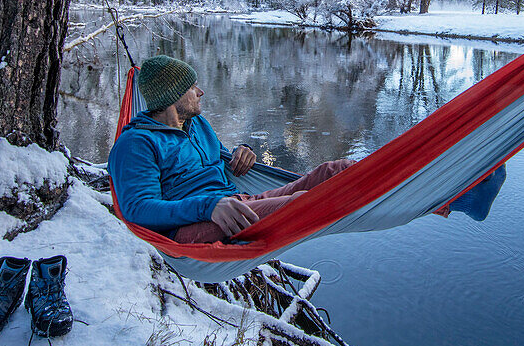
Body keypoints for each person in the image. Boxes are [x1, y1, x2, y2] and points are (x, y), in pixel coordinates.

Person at [107, 55, 356, 243]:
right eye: (192, 87)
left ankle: (390, 176)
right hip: (196, 224)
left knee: (336, 170)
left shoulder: (197, 124)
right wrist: (210, 207)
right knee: (304, 205)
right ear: (173, 95)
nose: (200, 92)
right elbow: (138, 209)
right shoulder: (136, 144)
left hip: (237, 203)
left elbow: (216, 158)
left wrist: (241, 150)